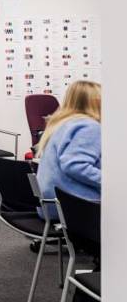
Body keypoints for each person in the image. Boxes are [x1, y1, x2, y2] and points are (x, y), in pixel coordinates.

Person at [36, 80, 101, 220]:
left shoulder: (61, 123)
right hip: (74, 208)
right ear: (95, 102)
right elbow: (76, 166)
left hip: (50, 205)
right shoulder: (90, 127)